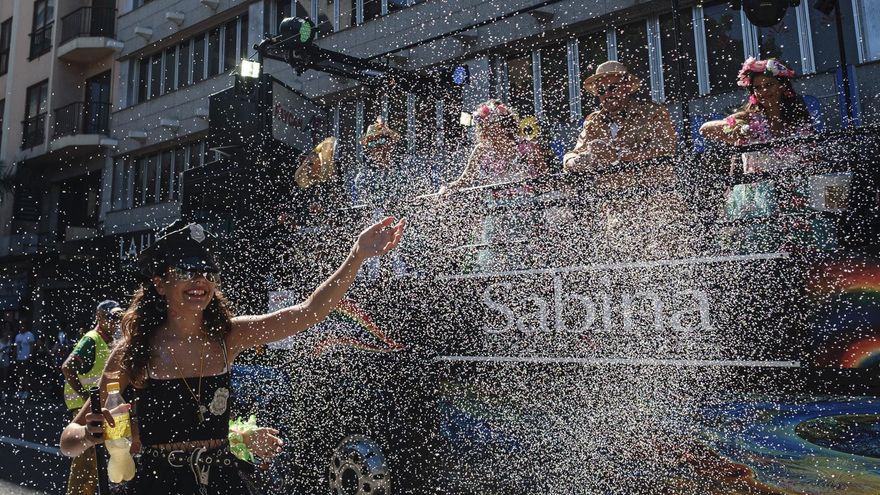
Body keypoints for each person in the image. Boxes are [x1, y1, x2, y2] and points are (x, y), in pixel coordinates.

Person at [60, 217, 404, 494]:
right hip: (157, 485)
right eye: (185, 270)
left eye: (207, 271)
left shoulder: (229, 337)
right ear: (160, 283)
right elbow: (68, 440)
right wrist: (89, 435)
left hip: (223, 482)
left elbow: (310, 311)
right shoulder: (132, 353)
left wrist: (357, 254)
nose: (199, 280)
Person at [563, 61, 686, 261]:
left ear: (627, 87)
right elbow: (572, 155)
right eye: (601, 90)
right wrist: (581, 161)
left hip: (657, 203)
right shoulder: (593, 121)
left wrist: (619, 156)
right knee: (625, 266)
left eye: (612, 88)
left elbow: (665, 148)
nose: (606, 94)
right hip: (617, 208)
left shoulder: (653, 113)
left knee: (666, 261)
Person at [700, 58, 820, 252]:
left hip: (796, 195)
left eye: (769, 85)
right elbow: (704, 129)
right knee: (762, 251)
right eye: (758, 87)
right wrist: (737, 130)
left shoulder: (799, 120)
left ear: (782, 86)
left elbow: (814, 158)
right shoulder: (749, 118)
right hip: (756, 197)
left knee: (801, 253)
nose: (764, 91)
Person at [61, 300, 123, 495]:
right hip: (83, 408)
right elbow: (67, 367)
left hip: (103, 409)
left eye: (118, 317)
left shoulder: (110, 340)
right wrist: (86, 396)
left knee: (108, 457)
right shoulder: (92, 339)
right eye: (111, 317)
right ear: (100, 317)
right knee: (87, 460)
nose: (115, 321)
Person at [13, 324, 35, 399]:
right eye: (20, 326)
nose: (21, 328)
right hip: (19, 358)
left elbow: (32, 346)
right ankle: (20, 391)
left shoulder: (29, 335)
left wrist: (30, 355)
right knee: (20, 375)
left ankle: (26, 391)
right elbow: (16, 347)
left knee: (26, 375)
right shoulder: (17, 336)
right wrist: (15, 357)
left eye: (23, 326)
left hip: (26, 358)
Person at [0, 330, 12, 401]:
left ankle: (3, 393)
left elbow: (9, 351)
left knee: (4, 377)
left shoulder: (9, 342)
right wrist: (3, 348)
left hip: (6, 359)